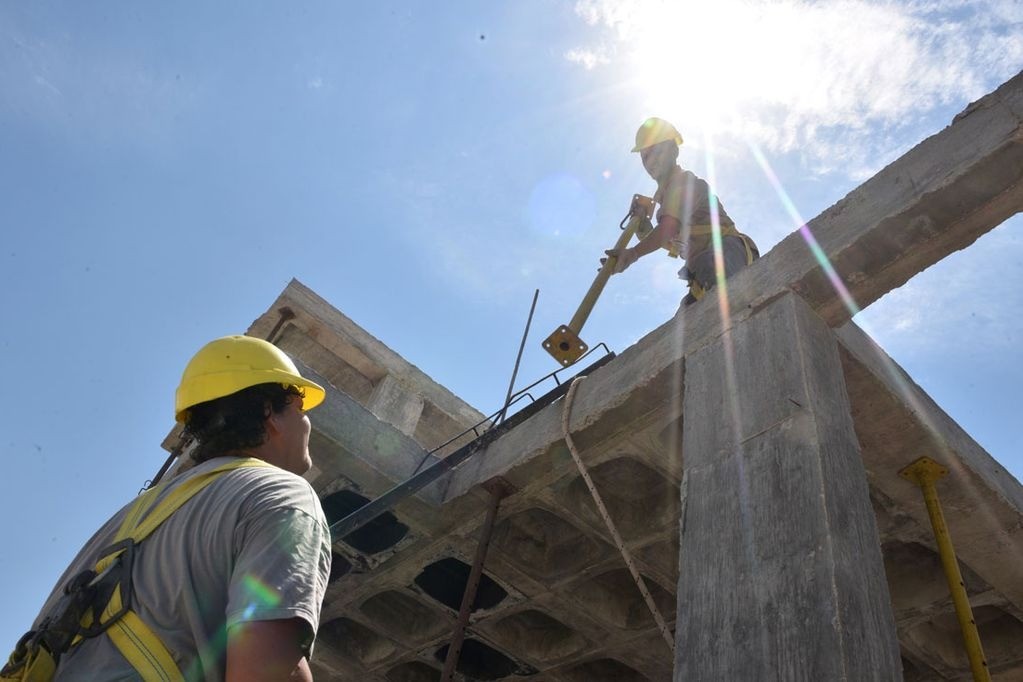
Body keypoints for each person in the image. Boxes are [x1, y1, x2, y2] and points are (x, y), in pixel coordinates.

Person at [3, 335, 332, 682]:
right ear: (270, 413)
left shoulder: (127, 520)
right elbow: (266, 671)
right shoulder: (282, 495)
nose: (307, 421)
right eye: (299, 407)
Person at [605, 117, 759, 305]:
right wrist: (644, 227)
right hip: (701, 271)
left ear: (673, 150)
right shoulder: (666, 202)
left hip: (724, 252)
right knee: (685, 323)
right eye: (644, 156)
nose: (650, 160)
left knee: (723, 306)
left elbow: (667, 229)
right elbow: (672, 242)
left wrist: (633, 253)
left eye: (655, 151)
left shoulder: (685, 183)